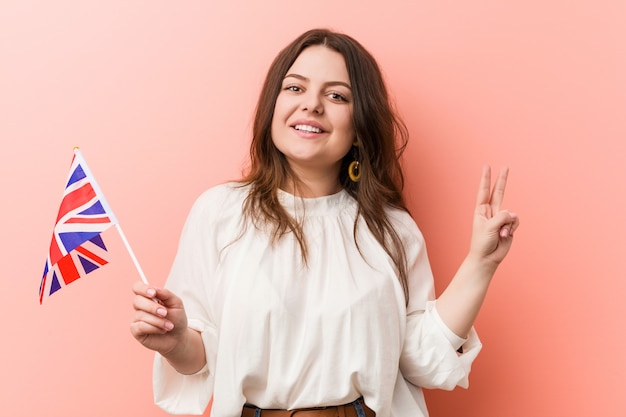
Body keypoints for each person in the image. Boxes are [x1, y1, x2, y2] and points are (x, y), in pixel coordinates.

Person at [130, 28, 519, 417]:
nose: (311, 105)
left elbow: (421, 360)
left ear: (360, 126)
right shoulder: (220, 212)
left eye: (336, 95)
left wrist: (481, 263)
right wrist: (176, 339)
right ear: (273, 106)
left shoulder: (391, 228)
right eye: (295, 88)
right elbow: (202, 360)